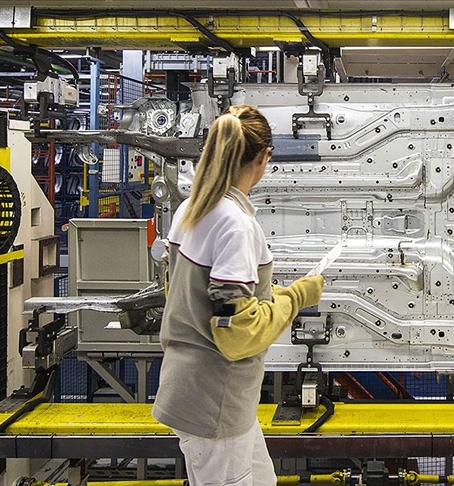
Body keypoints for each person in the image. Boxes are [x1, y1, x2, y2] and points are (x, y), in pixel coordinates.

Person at [152, 104, 324, 486]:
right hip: (215, 401)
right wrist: (297, 297)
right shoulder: (235, 225)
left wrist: (270, 294)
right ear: (264, 158)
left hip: (197, 389)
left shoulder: (191, 209)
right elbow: (237, 335)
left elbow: (201, 294)